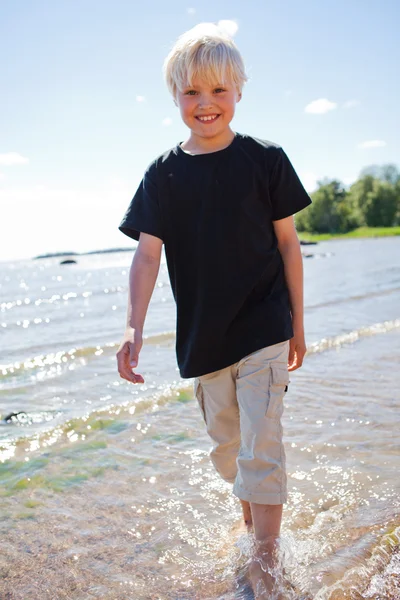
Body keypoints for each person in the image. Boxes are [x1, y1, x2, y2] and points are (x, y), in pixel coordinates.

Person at [117, 22, 312, 596]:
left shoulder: (266, 160)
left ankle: (266, 563)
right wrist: (133, 329)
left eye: (218, 91)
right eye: (192, 93)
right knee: (230, 450)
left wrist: (299, 324)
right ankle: (252, 523)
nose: (206, 105)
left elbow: (288, 245)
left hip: (264, 326)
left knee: (262, 443)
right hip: (204, 339)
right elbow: (147, 256)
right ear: (176, 97)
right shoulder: (163, 174)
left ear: (239, 92)